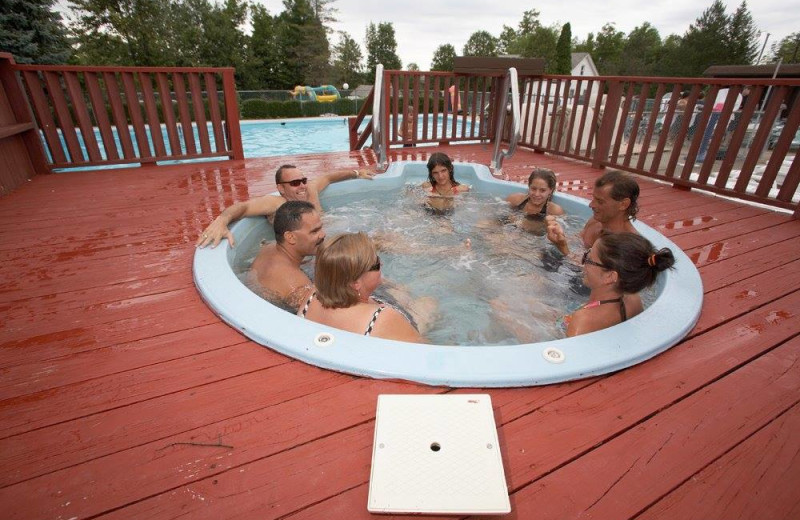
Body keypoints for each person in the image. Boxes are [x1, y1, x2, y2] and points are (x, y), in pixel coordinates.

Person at [196, 164, 374, 248]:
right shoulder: (276, 204)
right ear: (281, 188)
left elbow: (328, 177)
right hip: (314, 249)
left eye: (303, 180)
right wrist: (222, 220)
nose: (302, 186)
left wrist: (357, 173)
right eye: (295, 183)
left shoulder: (310, 191)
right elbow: (243, 207)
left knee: (383, 239)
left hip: (335, 233)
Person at [298, 232, 425, 343]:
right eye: (376, 264)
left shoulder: (312, 295)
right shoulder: (383, 317)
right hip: (382, 325)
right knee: (428, 303)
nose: (382, 263)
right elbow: (422, 349)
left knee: (401, 292)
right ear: (355, 283)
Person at [562, 232, 675, 337]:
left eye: (589, 259)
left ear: (610, 276)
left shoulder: (582, 321)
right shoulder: (634, 301)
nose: (583, 262)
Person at [249, 201, 325, 312]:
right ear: (290, 237)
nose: (323, 234)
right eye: (314, 231)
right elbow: (318, 315)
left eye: (320, 228)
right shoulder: (298, 287)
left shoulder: (268, 248)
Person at [546, 170, 639, 258]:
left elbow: (596, 272)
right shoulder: (596, 220)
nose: (591, 205)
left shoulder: (629, 245)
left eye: (600, 201)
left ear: (623, 204)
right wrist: (559, 237)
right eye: (593, 198)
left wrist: (563, 247)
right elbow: (577, 241)